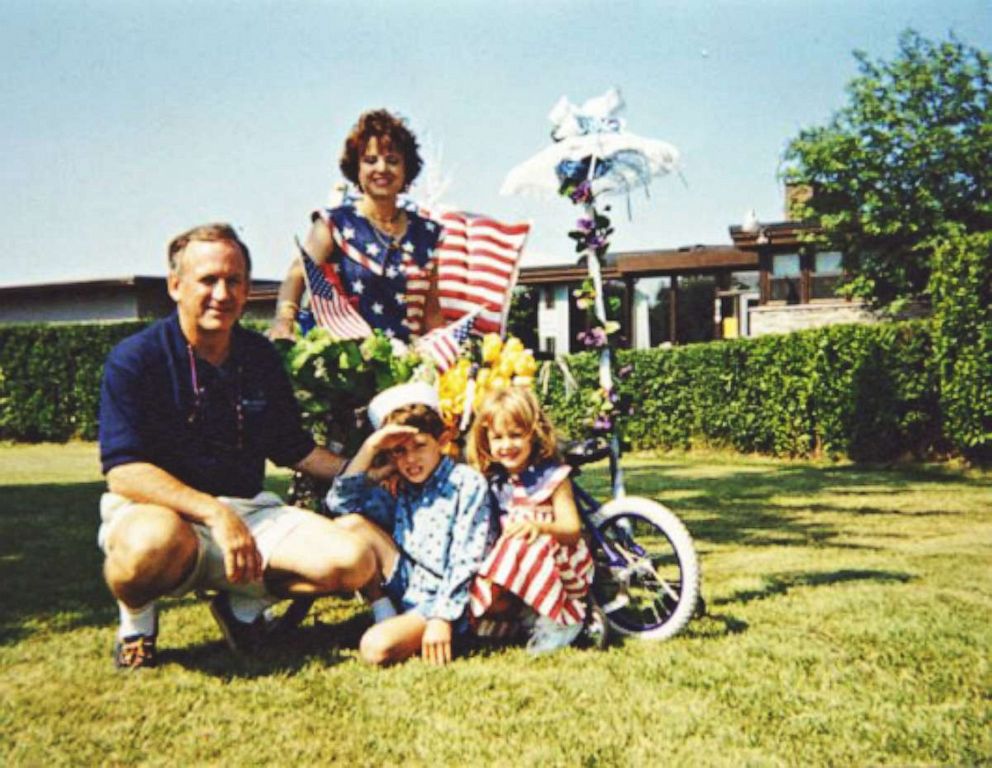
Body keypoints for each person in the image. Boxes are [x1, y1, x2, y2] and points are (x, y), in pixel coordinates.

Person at [99, 223, 376, 670]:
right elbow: (124, 470)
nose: (222, 294)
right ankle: (137, 624)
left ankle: (242, 606)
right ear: (176, 286)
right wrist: (213, 513)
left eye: (234, 280)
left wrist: (365, 468)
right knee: (150, 543)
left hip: (248, 513)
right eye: (208, 280)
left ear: (248, 289)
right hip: (164, 516)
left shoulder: (259, 356)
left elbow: (294, 449)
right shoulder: (136, 358)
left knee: (353, 561)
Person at [325, 382, 495, 666]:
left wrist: (442, 618)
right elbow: (340, 504)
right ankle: (385, 611)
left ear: (442, 440)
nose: (411, 459)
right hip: (408, 583)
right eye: (399, 452)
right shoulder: (401, 486)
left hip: (444, 599)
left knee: (374, 648)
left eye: (419, 446)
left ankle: (418, 628)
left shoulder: (465, 483)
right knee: (350, 525)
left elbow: (467, 558)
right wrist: (371, 448)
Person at [270, 109, 444, 342]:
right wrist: (284, 321)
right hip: (347, 364)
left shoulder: (427, 234)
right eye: (370, 160)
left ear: (406, 169)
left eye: (392, 160)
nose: (381, 168)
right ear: (357, 168)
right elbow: (297, 275)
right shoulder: (334, 224)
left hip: (408, 366)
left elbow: (431, 314)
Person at [466, 387, 594, 654]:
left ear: (533, 435)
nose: (506, 445)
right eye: (497, 438)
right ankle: (529, 615)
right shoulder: (496, 484)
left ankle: (560, 619)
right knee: (484, 587)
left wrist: (540, 526)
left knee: (521, 539)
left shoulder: (553, 477)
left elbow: (572, 530)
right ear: (485, 441)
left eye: (515, 435)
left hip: (561, 562)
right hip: (519, 564)